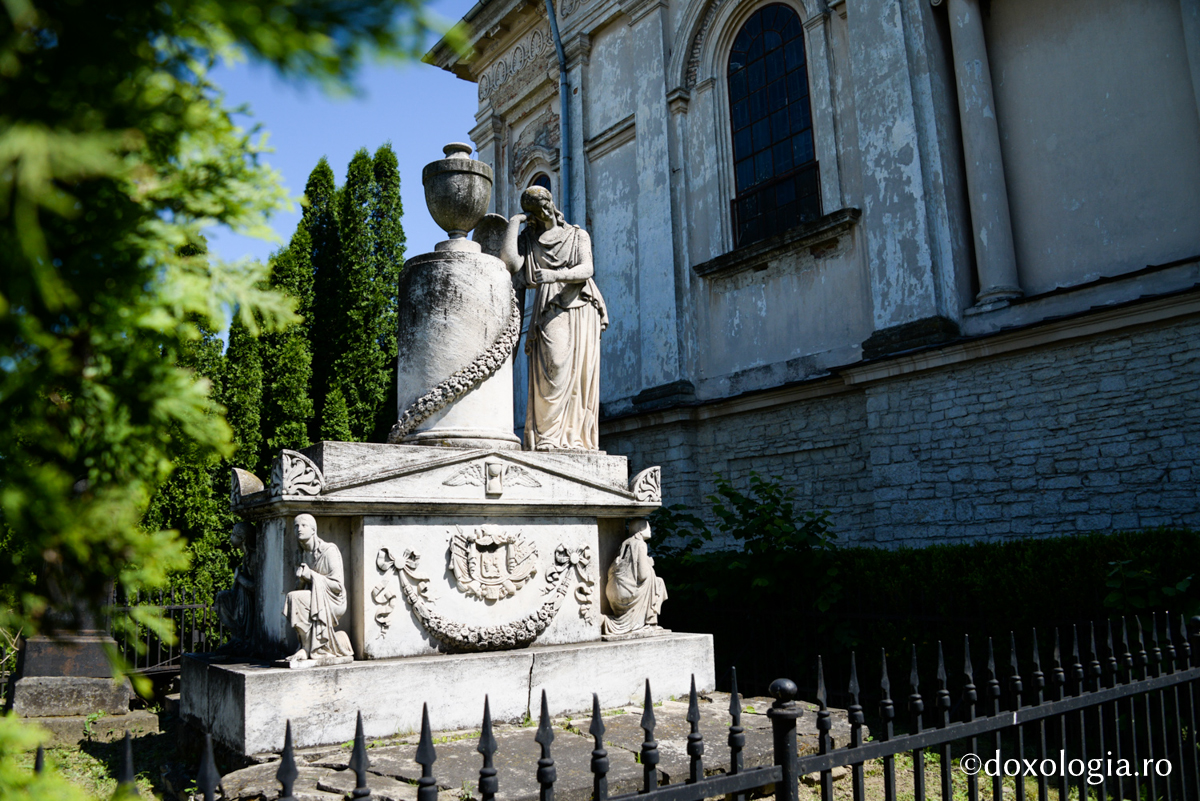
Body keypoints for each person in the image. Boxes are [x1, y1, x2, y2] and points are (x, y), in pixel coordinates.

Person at [500, 186, 608, 450]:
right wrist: (514, 223)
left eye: (547, 204)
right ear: (532, 213)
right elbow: (509, 263)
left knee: (579, 372)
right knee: (554, 365)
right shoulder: (529, 238)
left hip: (581, 302)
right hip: (549, 304)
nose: (546, 211)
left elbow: (587, 268)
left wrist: (554, 275)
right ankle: (548, 436)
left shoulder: (577, 235)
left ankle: (575, 438)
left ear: (552, 203)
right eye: (538, 209)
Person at [283, 514, 353, 661]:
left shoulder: (329, 550)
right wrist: (301, 580)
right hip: (315, 597)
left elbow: (338, 586)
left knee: (294, 597)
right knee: (293, 597)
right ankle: (307, 646)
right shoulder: (300, 554)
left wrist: (312, 576)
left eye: (303, 525)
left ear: (313, 530)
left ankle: (307, 648)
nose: (299, 529)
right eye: (296, 526)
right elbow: (300, 587)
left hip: (334, 600)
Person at [602, 519, 668, 636]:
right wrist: (649, 564)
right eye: (648, 527)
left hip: (613, 591)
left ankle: (647, 622)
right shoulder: (640, 544)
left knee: (657, 581)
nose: (650, 530)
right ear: (640, 530)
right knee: (658, 582)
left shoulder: (625, 543)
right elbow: (643, 575)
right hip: (628, 592)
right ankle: (649, 623)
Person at [215, 522, 255, 652]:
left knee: (224, 597)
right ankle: (237, 636)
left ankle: (242, 637)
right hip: (242, 599)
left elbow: (256, 587)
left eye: (233, 535)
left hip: (250, 604)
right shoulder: (246, 556)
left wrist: (239, 578)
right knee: (222, 598)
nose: (231, 537)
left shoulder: (253, 558)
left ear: (242, 538)